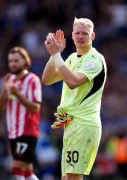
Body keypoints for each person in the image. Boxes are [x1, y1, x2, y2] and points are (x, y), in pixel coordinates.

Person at [42, 17, 107, 180]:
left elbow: (72, 82)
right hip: (70, 124)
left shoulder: (94, 59)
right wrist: (53, 55)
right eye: (77, 33)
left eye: (85, 33)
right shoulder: (71, 58)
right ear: (72, 35)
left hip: (84, 124)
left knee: (72, 178)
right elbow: (47, 80)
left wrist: (57, 55)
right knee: (67, 178)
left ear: (92, 36)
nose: (80, 36)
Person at [0, 46, 42, 180]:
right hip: (13, 132)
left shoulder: (33, 80)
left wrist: (18, 94)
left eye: (16, 60)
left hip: (27, 130)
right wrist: (4, 91)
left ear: (25, 61)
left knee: (17, 169)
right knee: (27, 173)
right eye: (10, 61)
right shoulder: (9, 81)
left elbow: (35, 108)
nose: (13, 64)